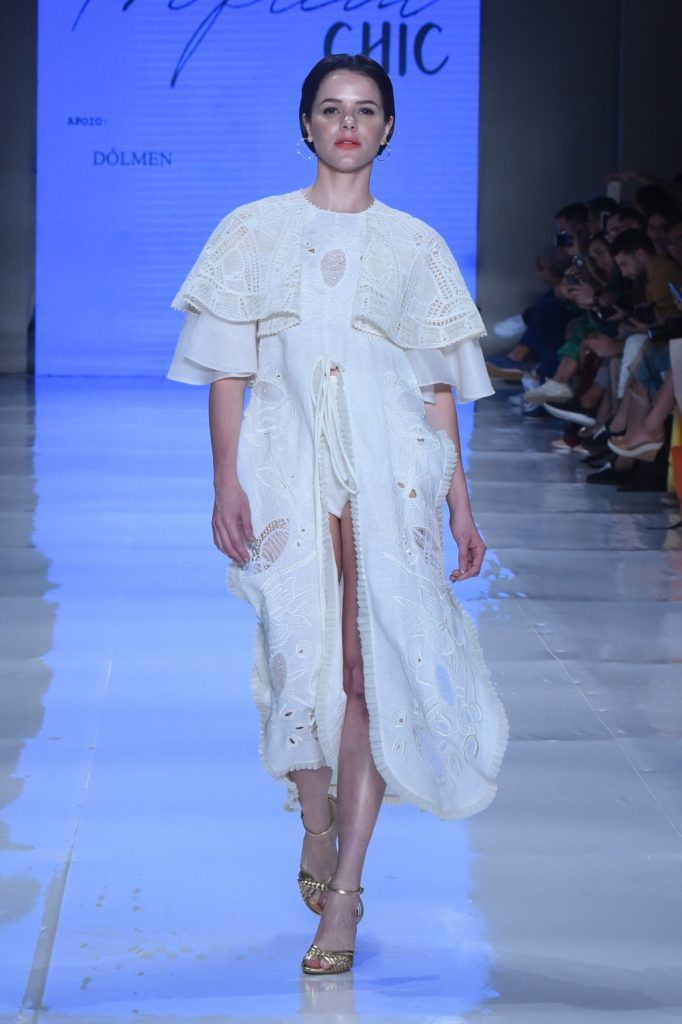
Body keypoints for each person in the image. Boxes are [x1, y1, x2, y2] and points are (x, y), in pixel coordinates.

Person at [167, 54, 508, 976]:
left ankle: (346, 891)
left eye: (365, 110)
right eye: (330, 108)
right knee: (298, 654)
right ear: (306, 124)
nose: (348, 123)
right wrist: (225, 481)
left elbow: (436, 389)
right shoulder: (253, 231)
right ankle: (315, 820)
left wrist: (460, 502)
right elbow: (229, 371)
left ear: (388, 129)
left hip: (392, 469)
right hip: (285, 463)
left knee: (368, 670)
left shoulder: (416, 247)